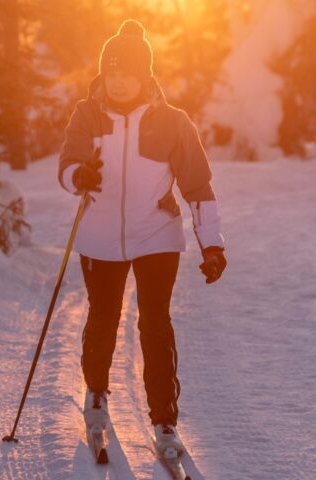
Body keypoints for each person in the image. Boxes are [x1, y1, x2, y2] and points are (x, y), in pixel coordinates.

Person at [57, 19, 226, 456]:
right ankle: (95, 394)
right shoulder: (86, 114)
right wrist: (81, 175)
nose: (118, 80)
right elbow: (68, 165)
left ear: (145, 74)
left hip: (157, 236)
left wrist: (212, 243)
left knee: (154, 323)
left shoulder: (172, 122)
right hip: (100, 237)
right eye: (111, 71)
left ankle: (165, 420)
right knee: (102, 317)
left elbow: (198, 186)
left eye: (127, 71)